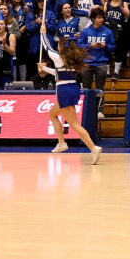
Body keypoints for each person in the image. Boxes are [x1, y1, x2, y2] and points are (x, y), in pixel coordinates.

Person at [39, 36, 101, 164]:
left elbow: (46, 47)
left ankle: (93, 148)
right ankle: (61, 143)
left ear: (62, 47)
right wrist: (44, 68)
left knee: (74, 124)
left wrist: (43, 33)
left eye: (59, 45)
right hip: (72, 88)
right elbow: (59, 73)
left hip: (64, 91)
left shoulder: (59, 57)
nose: (57, 46)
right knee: (52, 114)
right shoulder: (70, 59)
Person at [77, 7, 115, 120]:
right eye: (99, 17)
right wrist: (89, 45)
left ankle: (99, 110)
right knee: (86, 88)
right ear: (93, 18)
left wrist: (105, 46)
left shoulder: (108, 32)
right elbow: (79, 46)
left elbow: (113, 47)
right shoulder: (85, 31)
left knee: (100, 88)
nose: (101, 20)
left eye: (102, 17)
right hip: (87, 63)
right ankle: (86, 110)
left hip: (101, 63)